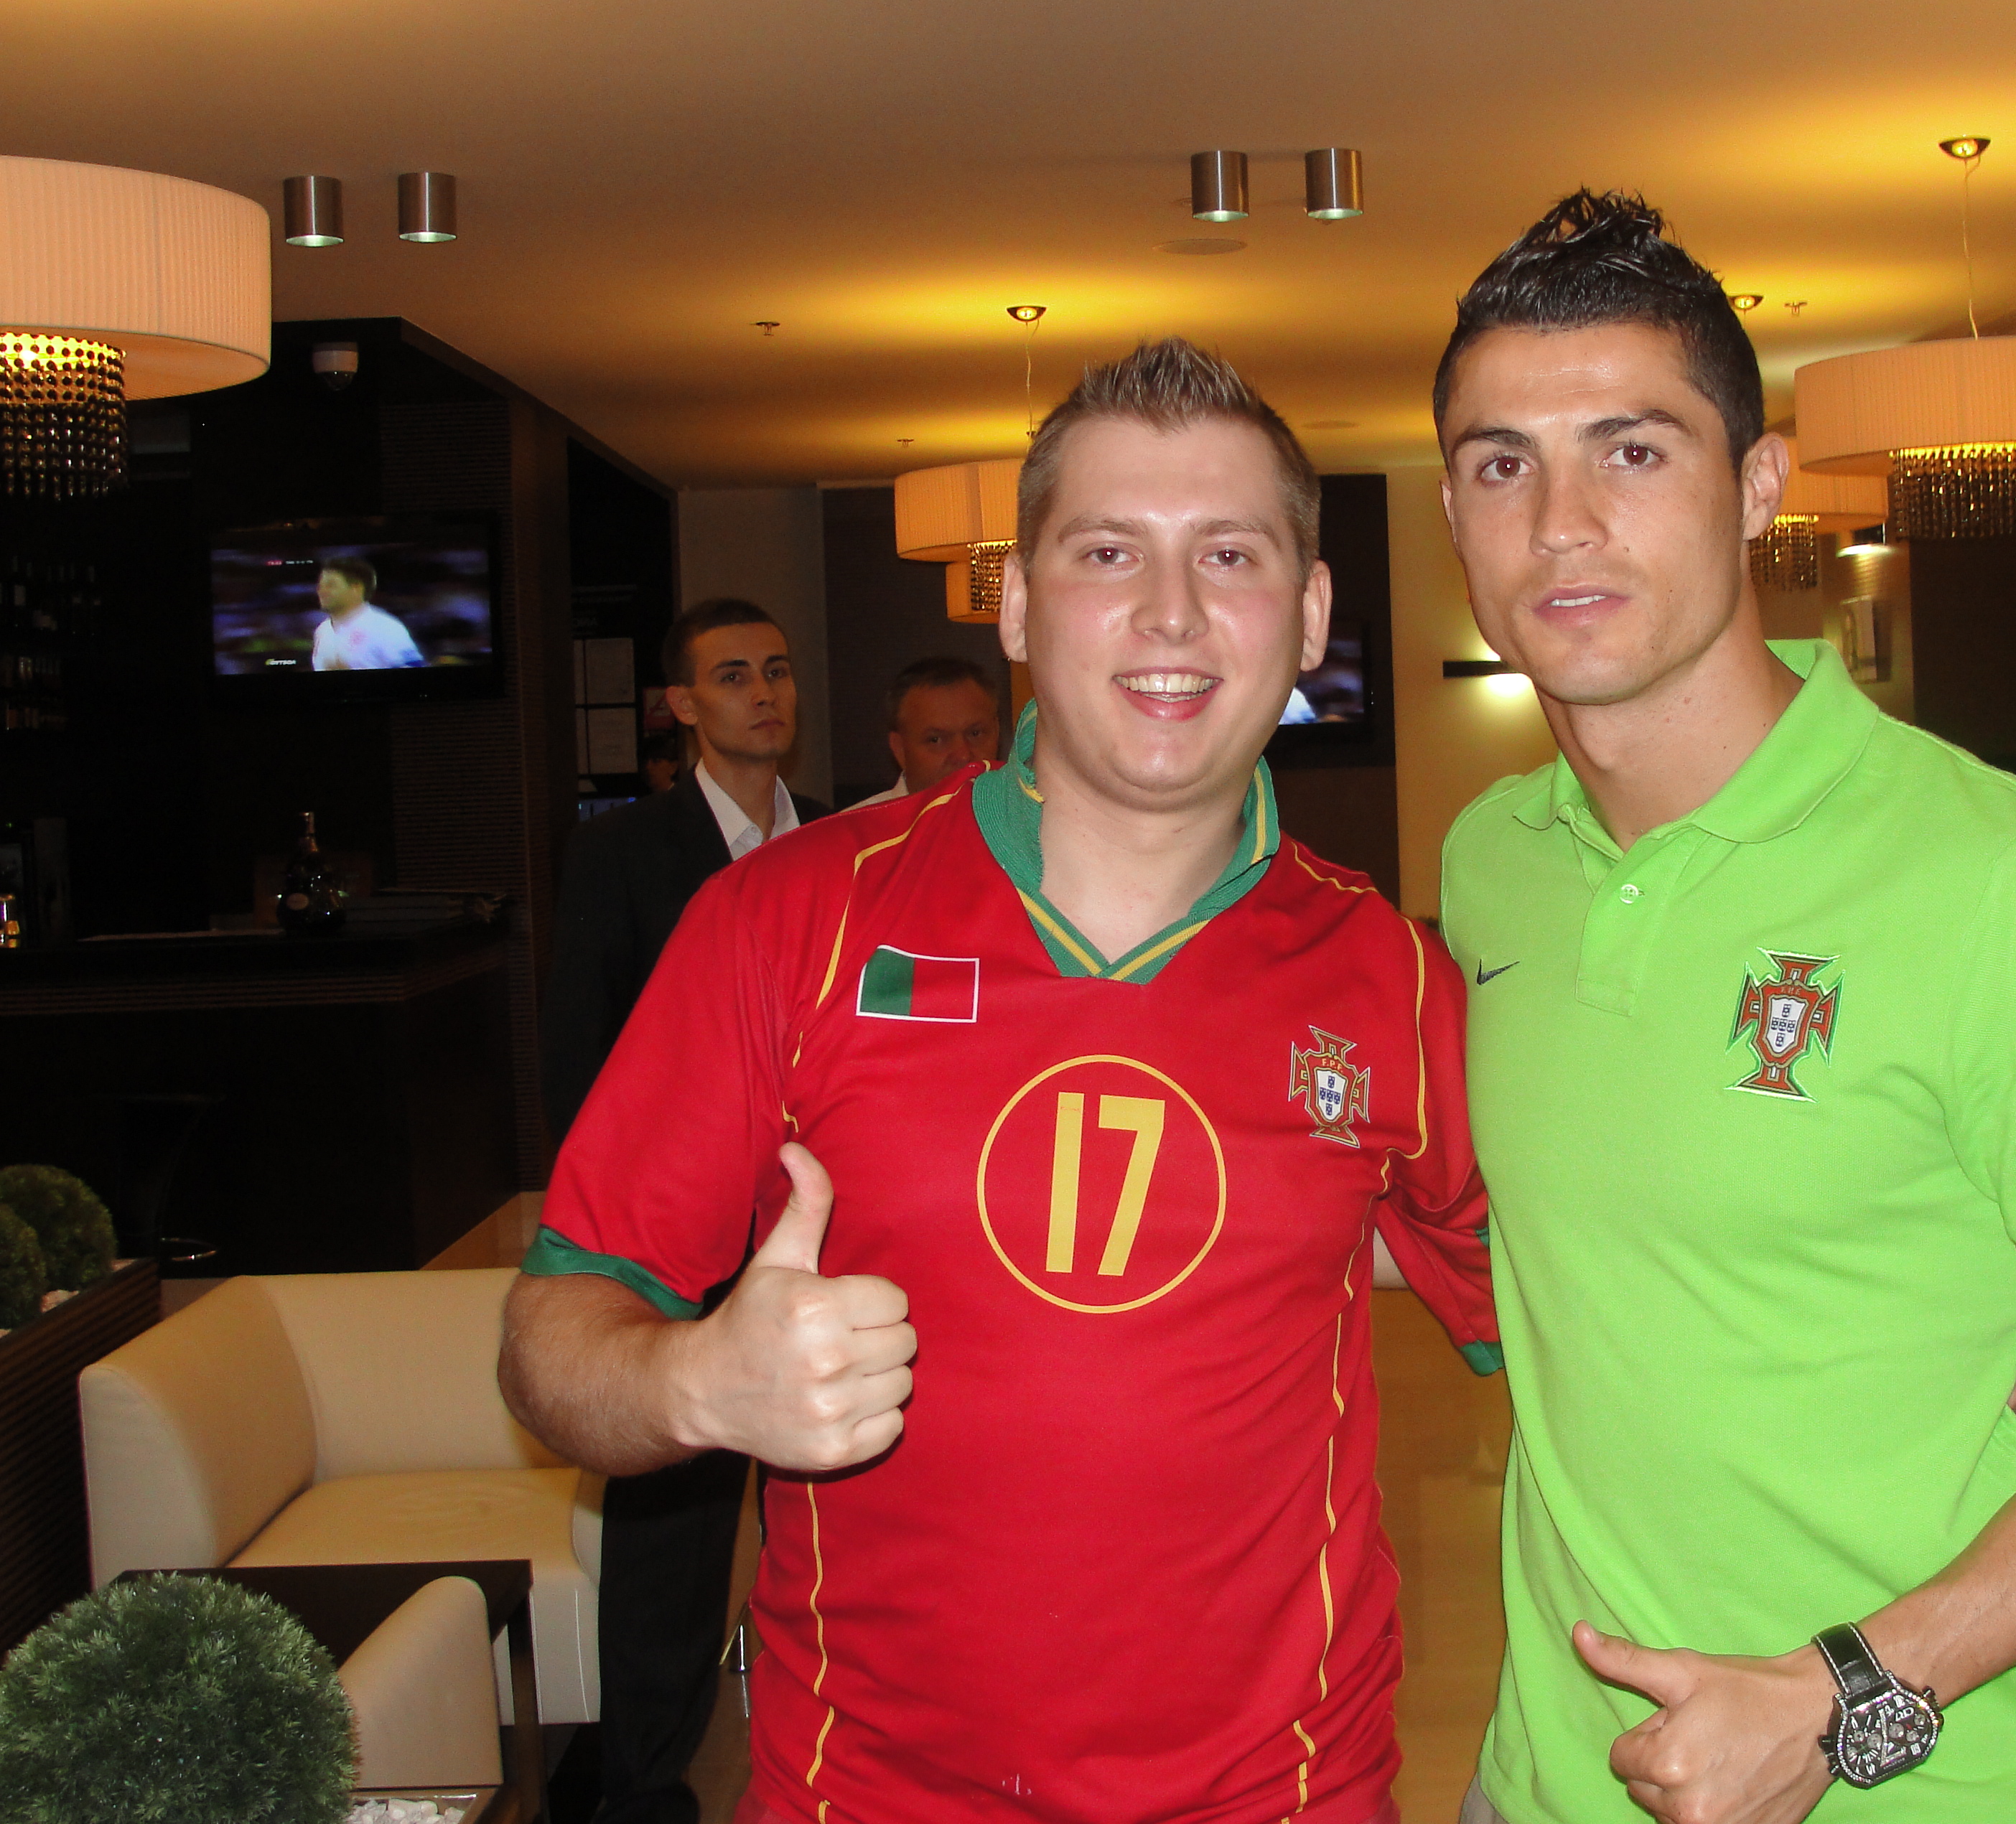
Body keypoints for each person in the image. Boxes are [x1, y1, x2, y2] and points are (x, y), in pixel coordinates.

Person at [502, 340, 1503, 1824]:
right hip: (869, 1794)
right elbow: (549, 1339)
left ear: (1308, 616)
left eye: (1229, 554)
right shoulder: (790, 920)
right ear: (1019, 605)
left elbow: (1582, 1332)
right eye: (1107, 552)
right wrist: (693, 1379)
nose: (1171, 611)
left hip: (1285, 1793)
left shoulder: (1392, 976)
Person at [1431, 193, 2016, 1824]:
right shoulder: (1492, 868)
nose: (1558, 523)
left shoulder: (2005, 879)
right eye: (1498, 464)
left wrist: (1843, 1695)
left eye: (1631, 450)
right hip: (1543, 1777)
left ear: (1758, 485)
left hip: (1908, 1782)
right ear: (1452, 515)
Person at [538, 594, 830, 1824]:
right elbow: (581, 1050)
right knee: (673, 1524)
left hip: (829, 1223)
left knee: (848, 1501)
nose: (763, 693)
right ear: (681, 704)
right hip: (682, 1229)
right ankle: (644, 1781)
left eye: (777, 670)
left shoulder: (848, 843)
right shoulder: (623, 853)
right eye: (733, 675)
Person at [851, 654, 1002, 805]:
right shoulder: (862, 821)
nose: (963, 756)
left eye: (975, 734)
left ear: (997, 733)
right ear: (900, 749)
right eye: (935, 740)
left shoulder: (1016, 816)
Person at [310, 556, 424, 670]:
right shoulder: (322, 630)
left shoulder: (385, 627)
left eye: (331, 585)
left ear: (356, 588)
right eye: (320, 585)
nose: (322, 591)